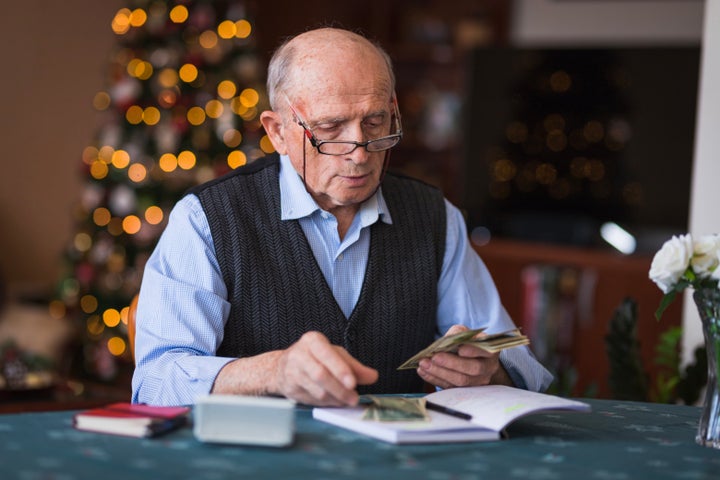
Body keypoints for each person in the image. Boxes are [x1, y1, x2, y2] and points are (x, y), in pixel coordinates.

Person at [131, 27, 552, 407]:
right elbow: (154, 383)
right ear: (277, 131)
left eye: (375, 121)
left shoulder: (435, 217)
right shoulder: (207, 220)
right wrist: (271, 372)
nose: (360, 151)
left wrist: (490, 372)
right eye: (330, 128)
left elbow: (515, 359)